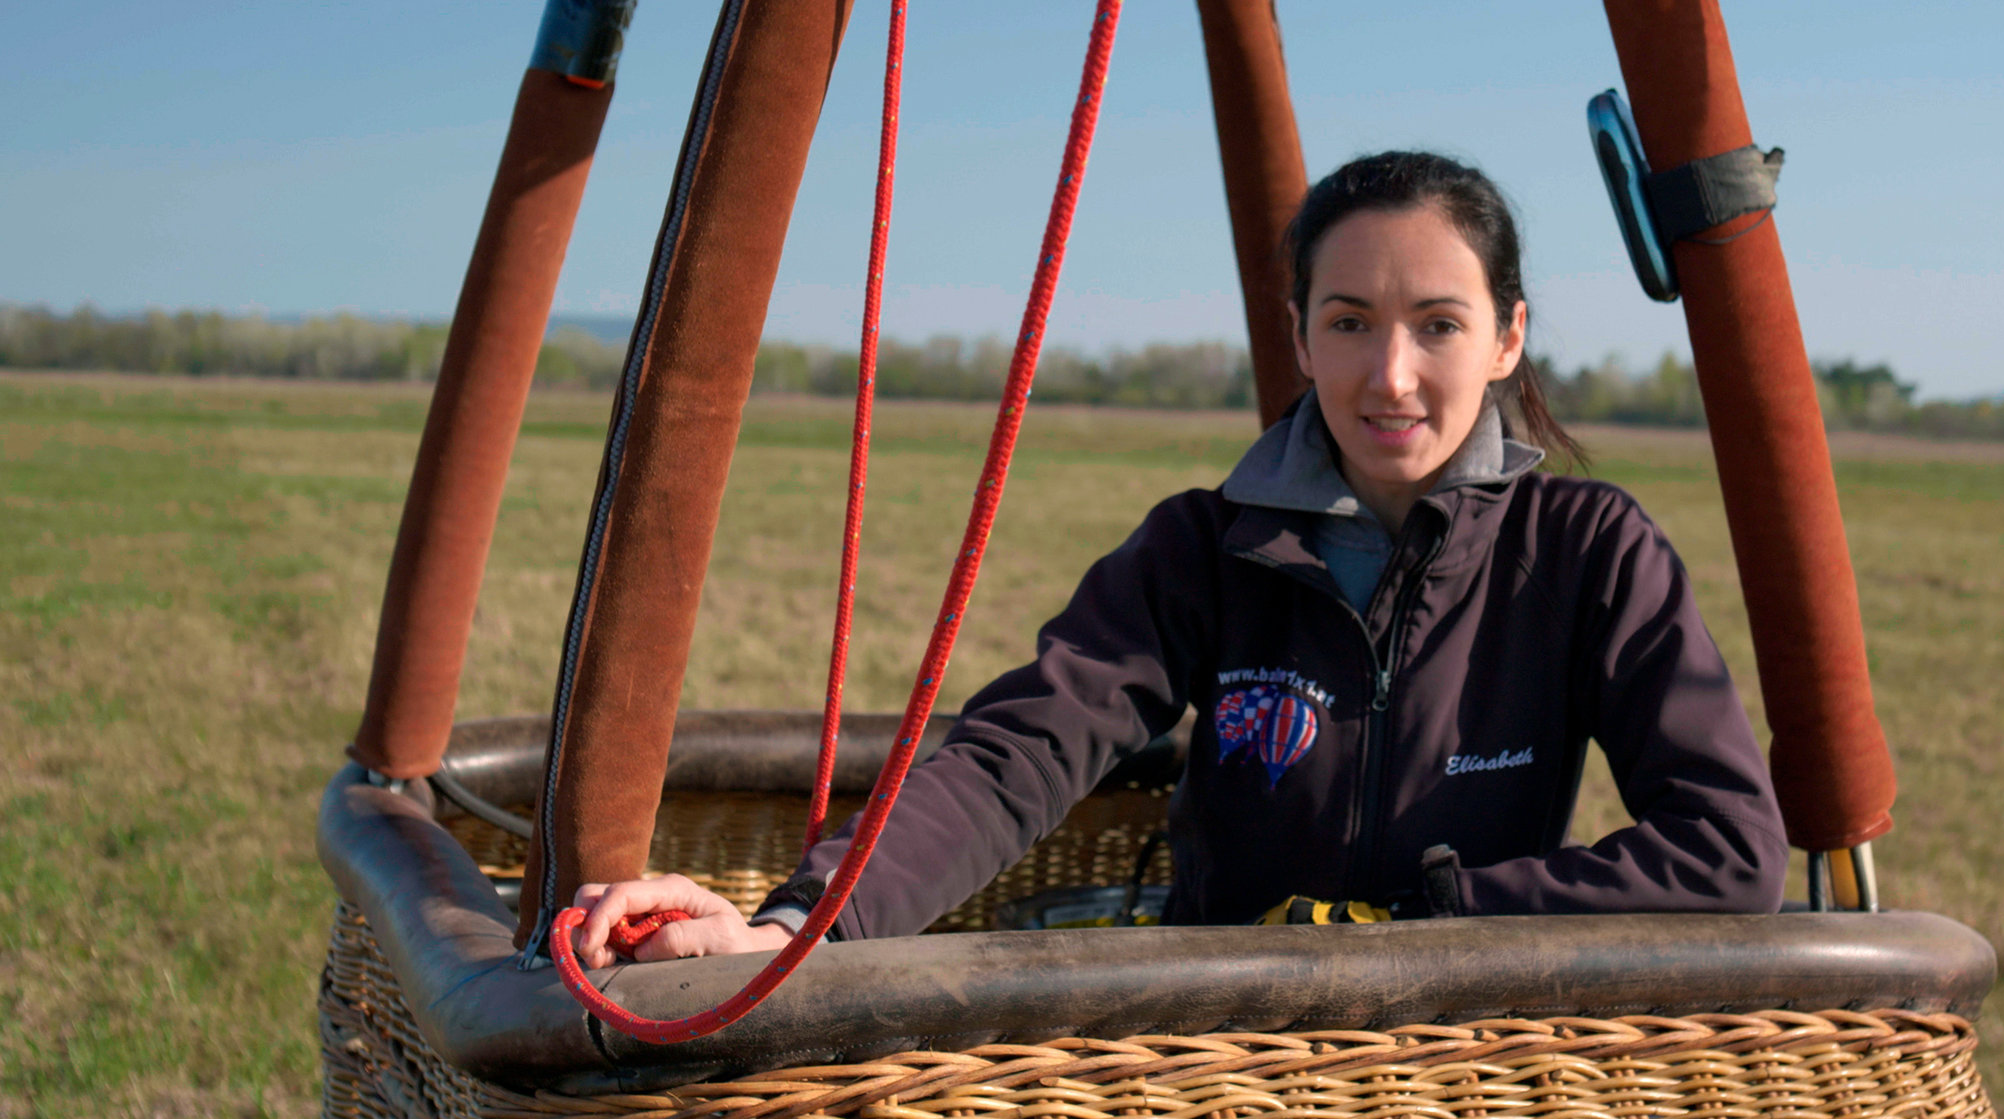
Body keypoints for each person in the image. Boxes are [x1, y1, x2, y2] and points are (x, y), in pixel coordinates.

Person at [567, 150, 1788, 971]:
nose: (1392, 375)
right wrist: (798, 927)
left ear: (1508, 338)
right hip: (1217, 1056)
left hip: (1461, 1056)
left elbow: (1729, 848)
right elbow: (1015, 757)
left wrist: (1442, 914)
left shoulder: (1584, 552)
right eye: (1350, 322)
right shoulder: (1207, 550)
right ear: (1300, 336)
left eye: (1439, 325)